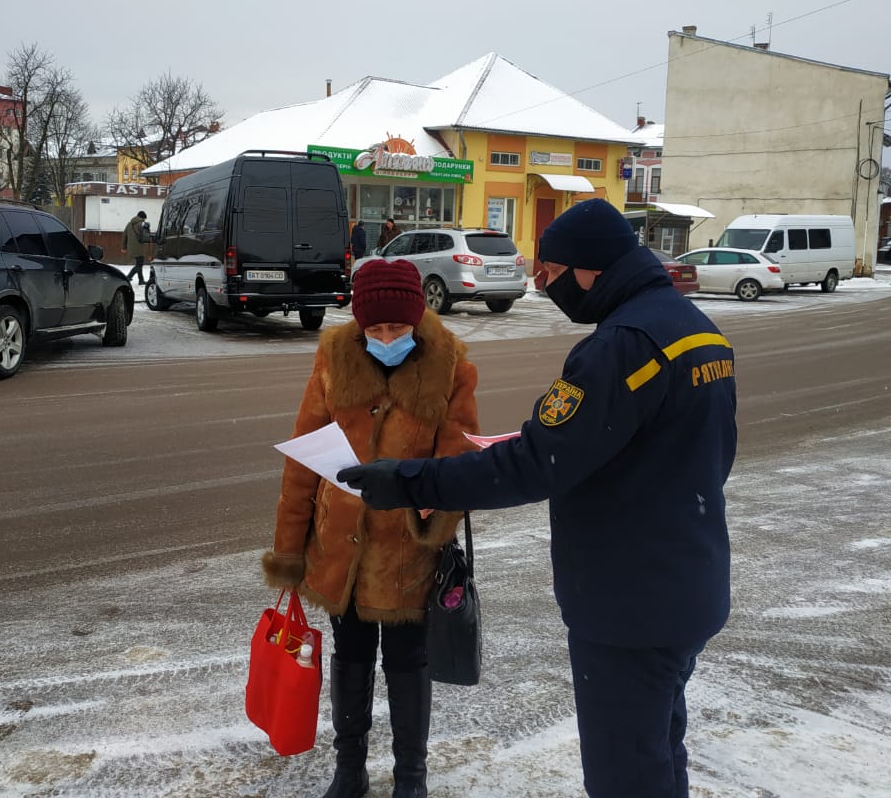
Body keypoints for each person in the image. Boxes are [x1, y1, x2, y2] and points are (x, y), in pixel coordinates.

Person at [340, 199, 737, 798]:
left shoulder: (621, 347)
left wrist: (411, 481)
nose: (542, 286)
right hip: (686, 582)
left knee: (625, 775)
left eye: (549, 273)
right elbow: (712, 454)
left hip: (628, 603)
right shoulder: (696, 331)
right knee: (659, 752)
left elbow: (534, 464)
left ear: (589, 269)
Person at [263, 258, 479, 798]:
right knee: (351, 657)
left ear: (417, 318)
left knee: (408, 662)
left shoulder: (451, 363)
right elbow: (303, 460)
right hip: (340, 549)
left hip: (407, 553)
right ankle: (349, 767)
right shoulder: (333, 357)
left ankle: (411, 774)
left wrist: (429, 511)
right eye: (375, 329)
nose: (386, 338)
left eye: (397, 328)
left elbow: (459, 457)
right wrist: (289, 549)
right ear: (359, 325)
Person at [122, 210, 150, 286]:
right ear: (143, 218)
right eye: (144, 219)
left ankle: (141, 280)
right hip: (139, 247)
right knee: (139, 264)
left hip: (131, 247)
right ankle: (128, 277)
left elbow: (124, 235)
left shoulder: (129, 224)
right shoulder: (142, 224)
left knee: (139, 263)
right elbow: (146, 235)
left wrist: (123, 247)